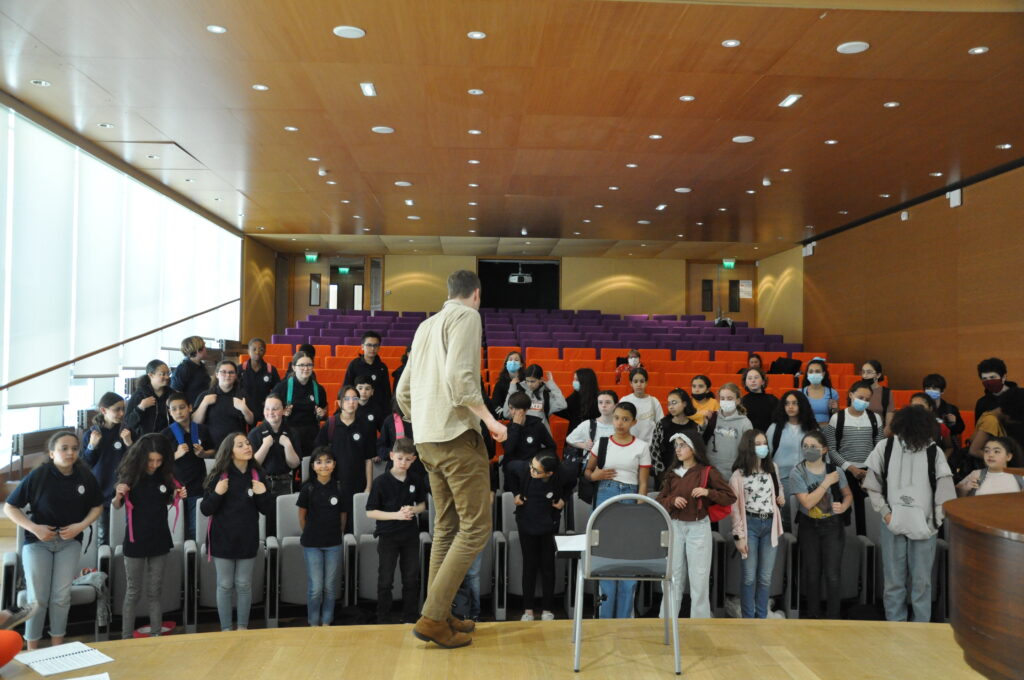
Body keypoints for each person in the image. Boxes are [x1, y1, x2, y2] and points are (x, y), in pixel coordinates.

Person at [395, 269, 507, 649]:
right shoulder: (468, 316)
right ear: (476, 294)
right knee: (475, 529)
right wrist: (491, 421)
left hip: (426, 439)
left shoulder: (426, 326)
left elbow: (403, 391)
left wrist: (422, 421)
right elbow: (462, 380)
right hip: (457, 437)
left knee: (446, 528)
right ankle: (432, 618)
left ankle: (438, 614)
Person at [4, 432, 103, 650]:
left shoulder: (85, 476)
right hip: (37, 543)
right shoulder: (39, 475)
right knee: (38, 599)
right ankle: (32, 649)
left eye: (75, 448)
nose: (70, 453)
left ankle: (58, 645)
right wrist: (34, 528)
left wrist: (80, 526)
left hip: (69, 543)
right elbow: (10, 507)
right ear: (51, 453)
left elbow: (97, 506)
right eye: (64, 448)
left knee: (61, 597)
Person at [863, 406, 956, 622]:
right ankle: (895, 626)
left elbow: (944, 493)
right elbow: (872, 485)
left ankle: (921, 628)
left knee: (922, 582)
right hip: (892, 523)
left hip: (925, 526)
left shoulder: (934, 451)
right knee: (893, 581)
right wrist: (886, 514)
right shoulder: (884, 447)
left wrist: (934, 523)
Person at [112, 434, 186, 638]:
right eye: (150, 460)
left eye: (158, 460)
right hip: (135, 541)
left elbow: (167, 500)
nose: (154, 464)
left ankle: (156, 636)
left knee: (155, 592)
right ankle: (126, 638)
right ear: (142, 458)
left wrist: (177, 496)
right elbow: (117, 505)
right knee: (133, 591)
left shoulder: (165, 476)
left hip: (159, 539)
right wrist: (118, 495)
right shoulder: (131, 476)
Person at [583, 401, 651, 618]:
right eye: (617, 418)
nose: (619, 423)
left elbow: (643, 484)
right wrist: (595, 476)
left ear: (633, 422)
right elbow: (588, 472)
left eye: (625, 419)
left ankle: (624, 618)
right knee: (606, 553)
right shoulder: (602, 443)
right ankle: (604, 617)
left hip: (631, 497)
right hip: (605, 493)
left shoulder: (641, 446)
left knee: (629, 554)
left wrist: (640, 510)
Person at [656, 433, 735, 619]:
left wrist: (708, 492)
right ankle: (667, 619)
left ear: (694, 449)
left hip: (699, 527)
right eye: (676, 445)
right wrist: (672, 500)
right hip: (675, 526)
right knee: (672, 574)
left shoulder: (707, 472)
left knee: (699, 576)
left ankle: (700, 622)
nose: (678, 449)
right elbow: (660, 500)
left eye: (682, 445)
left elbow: (729, 496)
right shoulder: (672, 473)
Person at [200, 432, 272, 632]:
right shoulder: (218, 476)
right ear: (229, 452)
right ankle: (225, 629)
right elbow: (206, 509)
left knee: (243, 585)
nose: (247, 447)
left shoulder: (258, 475)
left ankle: (242, 628)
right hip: (222, 539)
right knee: (224, 585)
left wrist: (263, 494)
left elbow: (267, 509)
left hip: (247, 539)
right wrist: (217, 494)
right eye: (240, 445)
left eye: (247, 443)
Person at [790, 431, 852, 619]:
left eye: (813, 447)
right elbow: (807, 503)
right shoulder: (797, 472)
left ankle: (834, 616)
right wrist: (825, 483)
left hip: (833, 525)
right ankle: (813, 616)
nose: (809, 450)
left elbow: (848, 495)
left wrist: (843, 506)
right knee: (812, 573)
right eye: (805, 446)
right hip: (809, 526)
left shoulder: (835, 471)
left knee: (833, 574)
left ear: (824, 450)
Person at [366, 438, 427, 624]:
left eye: (408, 459)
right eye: (400, 458)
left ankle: (410, 616)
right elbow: (370, 512)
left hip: (410, 535)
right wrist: (396, 515)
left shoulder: (415, 479)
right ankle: (383, 618)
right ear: (392, 456)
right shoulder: (380, 482)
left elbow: (422, 505)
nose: (403, 463)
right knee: (386, 579)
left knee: (411, 578)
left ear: (414, 459)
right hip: (388, 535)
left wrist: (413, 510)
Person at [728, 430, 785, 619]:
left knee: (765, 577)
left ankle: (762, 617)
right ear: (748, 447)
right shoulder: (738, 474)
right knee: (749, 577)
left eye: (764, 443)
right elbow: (734, 508)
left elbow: (778, 489)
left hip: (770, 524)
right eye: (758, 444)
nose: (763, 447)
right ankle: (748, 617)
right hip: (749, 525)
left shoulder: (772, 468)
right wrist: (738, 535)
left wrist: (780, 497)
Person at [508, 453, 571, 622]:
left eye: (537, 471)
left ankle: (547, 610)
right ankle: (527, 610)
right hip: (526, 522)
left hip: (549, 523)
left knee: (548, 566)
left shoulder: (562, 473)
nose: (532, 471)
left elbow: (572, 482)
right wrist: (516, 494)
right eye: (531, 466)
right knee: (529, 565)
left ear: (549, 473)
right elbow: (508, 469)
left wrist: (563, 500)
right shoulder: (523, 468)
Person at [823, 380, 885, 536]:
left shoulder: (875, 418)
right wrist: (851, 468)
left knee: (869, 514)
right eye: (860, 397)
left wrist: (869, 471)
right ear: (851, 395)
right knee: (847, 514)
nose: (863, 402)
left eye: (867, 399)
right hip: (844, 472)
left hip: (869, 473)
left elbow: (880, 448)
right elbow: (831, 449)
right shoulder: (837, 418)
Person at [297, 448, 346, 627]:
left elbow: (343, 516)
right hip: (312, 543)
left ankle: (327, 622)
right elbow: (302, 516)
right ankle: (313, 622)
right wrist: (310, 532)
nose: (324, 465)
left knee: (330, 587)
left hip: (333, 543)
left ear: (334, 465)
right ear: (313, 466)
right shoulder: (308, 488)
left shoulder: (340, 487)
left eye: (328, 461)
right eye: (319, 462)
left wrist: (336, 534)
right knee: (316, 588)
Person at [316, 385, 376, 527]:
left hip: (358, 484)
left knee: (355, 523)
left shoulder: (365, 426)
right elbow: (319, 455)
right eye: (347, 399)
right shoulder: (330, 424)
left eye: (355, 398)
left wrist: (368, 486)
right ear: (339, 402)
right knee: (335, 523)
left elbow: (368, 459)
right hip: (334, 483)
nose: (351, 402)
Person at [160, 392, 214, 541]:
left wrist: (203, 453)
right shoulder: (165, 434)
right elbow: (158, 462)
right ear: (170, 412)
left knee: (196, 528)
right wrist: (176, 455)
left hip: (198, 485)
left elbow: (214, 451)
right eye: (174, 409)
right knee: (177, 529)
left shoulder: (201, 429)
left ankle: (194, 561)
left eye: (182, 407)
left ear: (190, 408)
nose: (178, 412)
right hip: (176, 488)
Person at [82, 392, 132, 546]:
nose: (121, 413)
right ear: (103, 411)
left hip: (124, 489)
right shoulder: (92, 433)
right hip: (101, 490)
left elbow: (136, 461)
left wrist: (129, 442)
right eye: (117, 410)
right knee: (103, 536)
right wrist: (92, 446)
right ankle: (103, 568)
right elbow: (85, 463)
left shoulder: (126, 431)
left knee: (127, 534)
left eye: (123, 409)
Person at [765, 390, 819, 532]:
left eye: (795, 403)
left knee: (807, 517)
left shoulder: (812, 428)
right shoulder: (774, 428)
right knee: (785, 517)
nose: (790, 407)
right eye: (787, 403)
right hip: (783, 479)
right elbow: (766, 456)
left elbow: (821, 455)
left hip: (808, 479)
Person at [248, 394, 301, 537]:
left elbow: (294, 463)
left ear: (283, 411)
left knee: (283, 522)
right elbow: (252, 464)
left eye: (275, 409)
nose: (270, 412)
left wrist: (288, 445)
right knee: (263, 523)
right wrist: (265, 446)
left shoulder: (292, 433)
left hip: (284, 482)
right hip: (262, 483)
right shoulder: (256, 433)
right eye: (267, 408)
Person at [193, 360, 253, 450]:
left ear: (236, 375)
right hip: (210, 448)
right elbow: (195, 421)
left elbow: (251, 421)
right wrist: (204, 404)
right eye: (223, 372)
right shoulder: (205, 396)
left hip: (236, 448)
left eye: (231, 372)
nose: (227, 375)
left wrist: (244, 409)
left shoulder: (242, 396)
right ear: (217, 374)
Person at [701, 383, 753, 482]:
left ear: (738, 400)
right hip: (710, 472)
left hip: (733, 474)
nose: (725, 401)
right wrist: (704, 423)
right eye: (723, 398)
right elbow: (701, 440)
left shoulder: (745, 423)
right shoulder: (712, 417)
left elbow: (748, 451)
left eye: (730, 398)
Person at [650, 388, 700, 482]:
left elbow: (698, 454)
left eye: (674, 402)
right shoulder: (662, 424)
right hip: (665, 475)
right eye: (669, 403)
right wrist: (662, 475)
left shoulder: (695, 427)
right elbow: (654, 451)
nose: (671, 407)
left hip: (688, 476)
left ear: (685, 404)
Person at [501, 364, 567, 434]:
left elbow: (562, 405)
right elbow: (506, 413)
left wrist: (552, 385)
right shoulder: (519, 392)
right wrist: (512, 389)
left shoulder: (546, 395)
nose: (529, 384)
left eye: (533, 381)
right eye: (527, 381)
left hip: (542, 439)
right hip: (521, 438)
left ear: (541, 380)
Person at [502, 392, 556, 473]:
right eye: (511, 408)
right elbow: (508, 450)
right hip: (514, 467)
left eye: (517, 409)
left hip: (533, 466)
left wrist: (538, 458)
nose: (513, 412)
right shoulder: (507, 428)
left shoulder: (537, 425)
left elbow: (551, 446)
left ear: (525, 410)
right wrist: (516, 426)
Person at [344, 331, 392, 418]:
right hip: (358, 408)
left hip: (377, 409)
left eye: (375, 345)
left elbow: (386, 392)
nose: (372, 349)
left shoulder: (382, 367)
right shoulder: (354, 364)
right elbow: (346, 387)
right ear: (362, 346)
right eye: (369, 345)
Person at [956, 436, 1024, 496]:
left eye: (996, 451)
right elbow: (955, 496)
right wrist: (964, 488)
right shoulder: (976, 474)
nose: (990, 455)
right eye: (986, 451)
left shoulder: (1020, 476)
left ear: (1008, 456)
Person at [564, 390, 618, 465]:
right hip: (591, 466)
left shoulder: (620, 425)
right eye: (600, 402)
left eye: (608, 402)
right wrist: (584, 445)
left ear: (616, 405)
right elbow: (569, 439)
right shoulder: (588, 424)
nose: (603, 405)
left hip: (615, 465)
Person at [124, 360, 172, 437]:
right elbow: (128, 422)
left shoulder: (171, 394)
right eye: (163, 374)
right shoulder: (139, 395)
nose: (167, 377)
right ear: (151, 375)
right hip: (146, 440)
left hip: (167, 438)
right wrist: (141, 407)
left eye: (168, 374)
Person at [240, 337, 281, 422]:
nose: (257, 352)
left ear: (265, 351)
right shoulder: (240, 369)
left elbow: (277, 391)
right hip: (244, 411)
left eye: (261, 349)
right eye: (254, 349)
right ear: (248, 351)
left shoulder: (271, 370)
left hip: (265, 411)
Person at [619, 368, 663, 444]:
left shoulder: (654, 401)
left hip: (650, 445)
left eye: (642, 381)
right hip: (629, 444)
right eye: (635, 381)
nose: (639, 384)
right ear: (631, 383)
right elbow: (619, 423)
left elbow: (661, 424)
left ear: (646, 383)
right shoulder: (625, 400)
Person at [554, 367, 600, 436]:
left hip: (593, 434)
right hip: (574, 434)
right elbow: (560, 410)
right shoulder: (574, 396)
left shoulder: (599, 399)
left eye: (576, 380)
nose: (574, 382)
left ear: (585, 381)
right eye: (574, 379)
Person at [922, 374, 964, 445]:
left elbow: (960, 429)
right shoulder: (920, 408)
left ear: (942, 390)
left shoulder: (951, 409)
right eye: (928, 388)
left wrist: (953, 424)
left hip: (945, 445)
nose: (931, 391)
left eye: (934, 388)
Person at [909, 392, 954, 459]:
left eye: (920, 407)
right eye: (913, 407)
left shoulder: (941, 427)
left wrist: (942, 460)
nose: (917, 410)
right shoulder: (903, 426)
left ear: (930, 408)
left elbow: (949, 448)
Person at [170, 335, 209, 406]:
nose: (206, 349)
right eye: (204, 347)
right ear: (198, 350)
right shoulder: (184, 368)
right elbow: (175, 393)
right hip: (192, 409)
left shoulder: (201, 365)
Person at [801, 358, 839, 426]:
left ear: (823, 374)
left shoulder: (832, 393)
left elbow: (836, 416)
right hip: (806, 429)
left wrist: (835, 409)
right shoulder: (800, 393)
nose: (814, 374)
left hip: (826, 430)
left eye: (817, 371)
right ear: (807, 374)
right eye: (811, 371)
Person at [740, 368, 778, 433]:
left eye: (756, 377)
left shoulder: (773, 400)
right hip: (749, 438)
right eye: (750, 378)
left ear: (763, 382)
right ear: (745, 383)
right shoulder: (742, 402)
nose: (753, 380)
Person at [860, 360, 895, 432]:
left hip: (879, 433)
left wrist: (880, 439)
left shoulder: (886, 393)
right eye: (863, 372)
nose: (865, 376)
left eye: (869, 372)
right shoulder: (857, 390)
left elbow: (889, 424)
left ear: (878, 375)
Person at [489, 351, 524, 419]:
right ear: (506, 364)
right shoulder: (500, 383)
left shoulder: (525, 382)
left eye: (516, 360)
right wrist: (504, 414)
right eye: (510, 360)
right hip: (506, 417)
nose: (513, 362)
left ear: (521, 364)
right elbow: (495, 404)